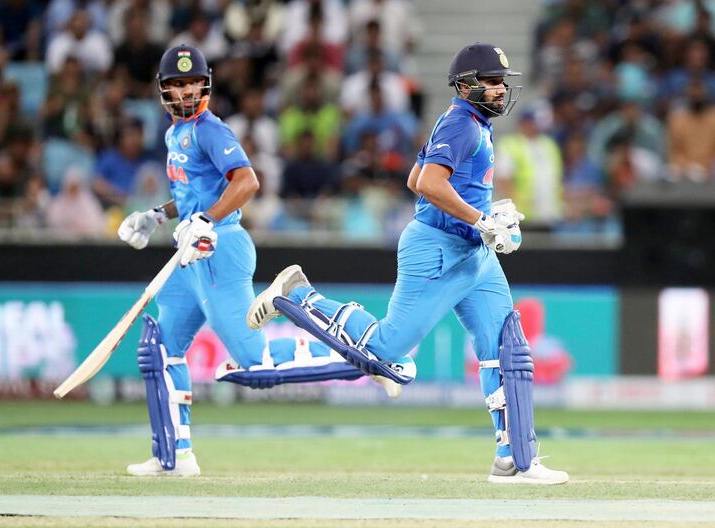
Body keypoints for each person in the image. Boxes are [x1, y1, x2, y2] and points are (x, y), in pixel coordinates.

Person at [248, 43, 569, 485]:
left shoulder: (468, 122)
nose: (499, 90)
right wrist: (481, 218)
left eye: (501, 82)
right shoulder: (461, 123)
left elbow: (415, 179)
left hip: (473, 251)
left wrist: (487, 214)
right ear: (465, 84)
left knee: (503, 347)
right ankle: (298, 293)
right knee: (387, 349)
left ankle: (514, 457)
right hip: (439, 247)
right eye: (492, 81)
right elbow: (431, 185)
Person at [116, 45, 399, 478]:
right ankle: (175, 456)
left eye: (193, 83)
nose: (187, 91)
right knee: (162, 349)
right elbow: (193, 191)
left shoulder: (210, 129)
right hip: (188, 253)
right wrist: (155, 215)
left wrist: (207, 220)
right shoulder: (174, 135)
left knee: (256, 363)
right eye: (177, 84)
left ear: (205, 85)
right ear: (164, 91)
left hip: (218, 248)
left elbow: (247, 181)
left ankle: (369, 361)